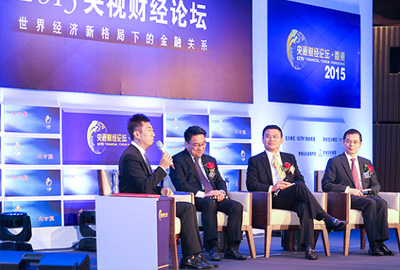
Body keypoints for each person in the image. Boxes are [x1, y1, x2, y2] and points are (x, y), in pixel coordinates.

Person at [118, 114, 217, 269]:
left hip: (147, 201)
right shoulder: (131, 156)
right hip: (137, 206)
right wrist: (162, 167)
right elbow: (143, 187)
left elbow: (144, 184)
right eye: (149, 130)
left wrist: (161, 189)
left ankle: (194, 256)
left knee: (187, 207)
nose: (153, 134)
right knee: (187, 208)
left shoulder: (139, 154)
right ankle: (190, 256)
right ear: (137, 134)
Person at [246, 125, 346, 260]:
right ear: (262, 139)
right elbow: (251, 184)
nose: (271, 139)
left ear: (281, 140)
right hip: (270, 198)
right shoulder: (255, 160)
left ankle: (309, 248)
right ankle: (325, 217)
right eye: (268, 136)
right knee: (299, 188)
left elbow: (300, 179)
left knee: (304, 205)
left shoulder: (289, 158)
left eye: (275, 136)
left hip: (290, 196)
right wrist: (273, 187)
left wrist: (290, 185)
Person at [170, 126, 247, 261]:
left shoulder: (209, 160)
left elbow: (220, 181)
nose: (200, 148)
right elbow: (181, 184)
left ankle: (232, 248)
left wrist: (222, 192)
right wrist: (203, 194)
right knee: (209, 204)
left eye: (203, 144)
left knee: (236, 206)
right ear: (186, 143)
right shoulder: (177, 160)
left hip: (213, 196)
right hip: (195, 198)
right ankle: (213, 246)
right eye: (196, 145)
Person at [322, 128, 395, 256]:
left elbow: (375, 184)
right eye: (348, 141)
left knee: (382, 203)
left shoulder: (366, 163)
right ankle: (373, 244)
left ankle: (381, 243)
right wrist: (348, 190)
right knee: (370, 204)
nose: (351, 145)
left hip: (365, 195)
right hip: (346, 197)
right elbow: (326, 185)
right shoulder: (335, 162)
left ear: (360, 144)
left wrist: (371, 190)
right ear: (343, 142)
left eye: (355, 142)